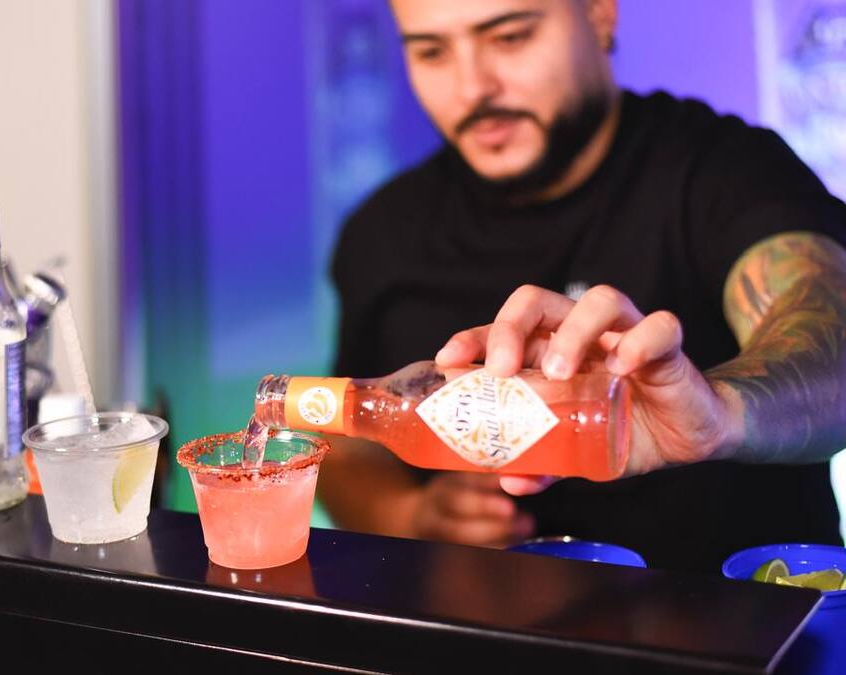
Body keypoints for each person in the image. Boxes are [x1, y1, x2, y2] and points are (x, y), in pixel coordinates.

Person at [320, 0, 846, 572]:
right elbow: (347, 450)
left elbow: (831, 343)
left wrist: (717, 414)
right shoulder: (383, 230)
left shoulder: (726, 170)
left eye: (510, 37)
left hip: (747, 620)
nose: (472, 88)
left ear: (599, 15)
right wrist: (408, 516)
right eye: (431, 52)